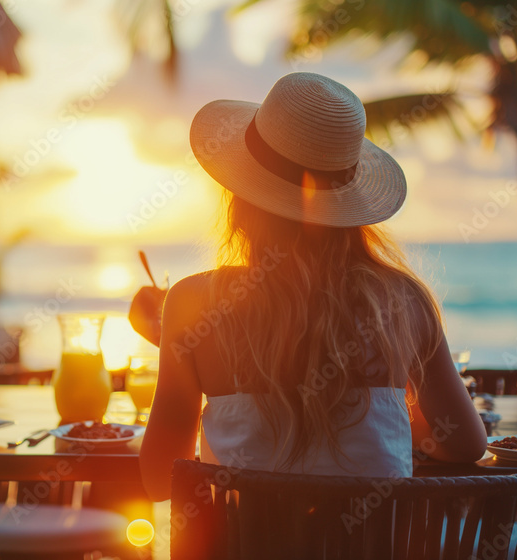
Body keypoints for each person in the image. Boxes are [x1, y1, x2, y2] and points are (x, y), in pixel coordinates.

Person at [133, 73, 486, 502]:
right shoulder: (403, 301)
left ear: (240, 201)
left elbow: (157, 479)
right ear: (350, 204)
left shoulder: (191, 304)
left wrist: (175, 347)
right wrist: (384, 420)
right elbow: (465, 444)